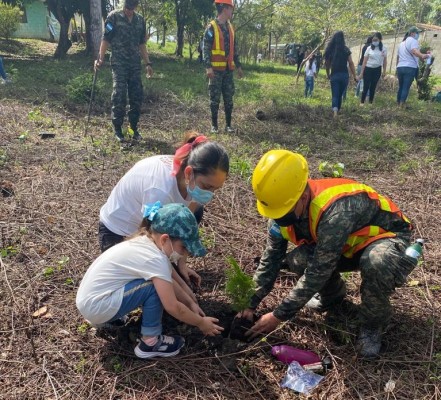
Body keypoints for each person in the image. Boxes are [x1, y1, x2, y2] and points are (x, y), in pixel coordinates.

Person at [239, 150, 418, 359]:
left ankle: (371, 326)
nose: (279, 219)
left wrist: (279, 315)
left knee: (376, 262)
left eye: (284, 213)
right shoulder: (282, 210)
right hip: (345, 245)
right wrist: (249, 303)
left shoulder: (334, 211)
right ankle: (333, 298)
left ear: (303, 196)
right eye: (275, 214)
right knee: (298, 260)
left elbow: (319, 270)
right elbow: (271, 259)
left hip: (384, 239)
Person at [77, 202, 224, 359]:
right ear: (165, 239)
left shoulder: (146, 243)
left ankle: (110, 320)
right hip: (97, 307)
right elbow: (173, 307)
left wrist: (191, 302)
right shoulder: (155, 259)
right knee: (153, 287)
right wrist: (200, 323)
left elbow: (172, 278)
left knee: (157, 284)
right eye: (183, 248)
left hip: (91, 302)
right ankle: (150, 342)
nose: (184, 254)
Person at [99, 132, 229, 284]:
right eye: (207, 186)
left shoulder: (192, 181)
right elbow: (148, 238)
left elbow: (185, 225)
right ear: (189, 173)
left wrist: (181, 265)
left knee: (194, 215)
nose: (210, 194)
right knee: (152, 286)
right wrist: (171, 278)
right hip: (120, 234)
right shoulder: (160, 190)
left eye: (215, 189)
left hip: (153, 229)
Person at [94, 0, 154, 142]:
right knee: (119, 94)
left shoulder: (140, 20)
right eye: (127, 7)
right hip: (119, 63)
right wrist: (100, 59)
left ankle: (133, 128)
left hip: (134, 65)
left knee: (136, 96)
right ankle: (118, 129)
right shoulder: (113, 17)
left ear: (136, 6)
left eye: (131, 8)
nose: (128, 10)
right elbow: (105, 39)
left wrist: (148, 63)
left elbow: (142, 44)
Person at [203, 0, 243, 134]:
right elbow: (206, 48)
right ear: (225, 8)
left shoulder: (231, 27)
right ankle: (214, 126)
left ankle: (228, 125)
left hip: (228, 70)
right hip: (215, 71)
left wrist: (238, 66)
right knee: (214, 98)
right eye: (231, 8)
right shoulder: (211, 27)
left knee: (228, 98)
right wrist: (208, 67)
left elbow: (234, 49)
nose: (232, 11)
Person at [324, 31, 357, 118]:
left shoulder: (330, 50)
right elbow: (351, 63)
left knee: (335, 94)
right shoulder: (346, 49)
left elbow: (327, 64)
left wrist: (328, 74)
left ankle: (335, 112)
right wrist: (354, 75)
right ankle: (337, 110)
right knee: (340, 95)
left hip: (334, 75)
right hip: (344, 75)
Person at [396, 26, 430, 107]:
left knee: (401, 86)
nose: (418, 34)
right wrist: (422, 55)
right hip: (409, 67)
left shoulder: (401, 43)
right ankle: (401, 104)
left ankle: (398, 103)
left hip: (400, 67)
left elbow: (398, 57)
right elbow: (414, 51)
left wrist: (396, 67)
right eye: (417, 33)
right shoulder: (413, 40)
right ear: (412, 33)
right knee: (406, 86)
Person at [357, 32, 387, 105]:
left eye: (376, 40)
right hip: (368, 69)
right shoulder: (369, 48)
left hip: (377, 69)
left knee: (373, 86)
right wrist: (361, 73)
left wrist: (384, 71)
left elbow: (385, 61)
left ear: (380, 40)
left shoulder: (383, 49)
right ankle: (362, 102)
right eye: (373, 40)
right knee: (366, 86)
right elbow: (364, 61)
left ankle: (370, 102)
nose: (374, 41)